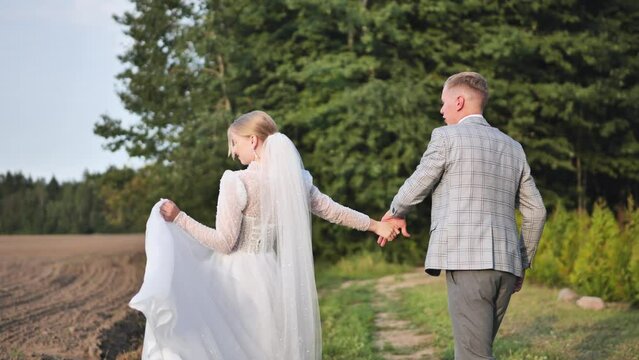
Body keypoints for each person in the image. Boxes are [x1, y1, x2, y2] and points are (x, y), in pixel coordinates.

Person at [129, 110, 398, 359]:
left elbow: (223, 243)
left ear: (254, 141)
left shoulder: (237, 182)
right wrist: (376, 225)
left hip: (235, 281)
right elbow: (334, 211)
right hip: (271, 275)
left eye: (235, 143)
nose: (233, 152)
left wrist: (180, 218)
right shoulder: (297, 181)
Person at [379, 72, 546, 359]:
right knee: (477, 349)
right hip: (506, 267)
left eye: (443, 103)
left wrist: (395, 212)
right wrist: (522, 260)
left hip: (468, 261)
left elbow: (419, 183)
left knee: (472, 355)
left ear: (458, 101)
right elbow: (537, 212)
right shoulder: (513, 147)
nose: (440, 110)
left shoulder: (446, 137)